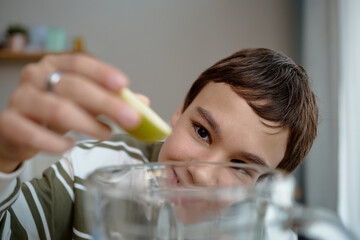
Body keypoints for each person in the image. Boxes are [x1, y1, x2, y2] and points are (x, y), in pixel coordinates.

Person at [0, 48, 318, 239]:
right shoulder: (90, 169)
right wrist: (3, 156)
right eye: (202, 132)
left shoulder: (264, 229)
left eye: (239, 166)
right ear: (179, 112)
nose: (202, 174)